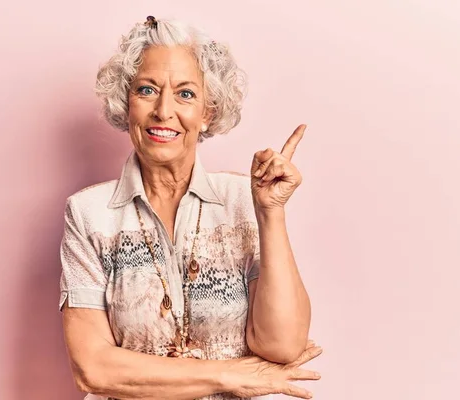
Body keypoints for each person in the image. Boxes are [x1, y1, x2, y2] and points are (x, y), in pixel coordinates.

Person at [58, 16, 322, 400]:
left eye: (185, 94)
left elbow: (282, 346)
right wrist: (230, 376)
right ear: (126, 102)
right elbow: (94, 369)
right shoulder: (88, 214)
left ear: (208, 112)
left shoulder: (243, 199)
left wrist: (270, 213)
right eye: (147, 90)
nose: (164, 111)